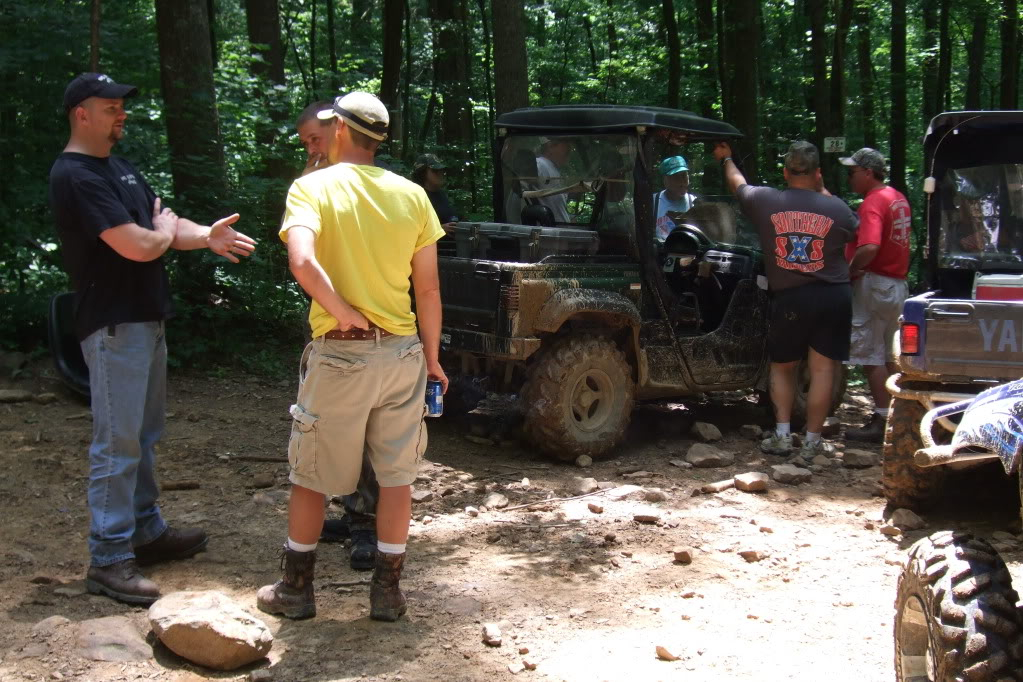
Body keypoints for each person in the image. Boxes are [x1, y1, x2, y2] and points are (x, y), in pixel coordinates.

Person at [48, 73, 256, 605]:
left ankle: (144, 530)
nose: (121, 115)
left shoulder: (118, 169)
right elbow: (140, 243)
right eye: (110, 107)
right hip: (114, 324)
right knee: (116, 443)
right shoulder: (75, 175)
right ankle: (109, 556)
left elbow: (166, 223)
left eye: (122, 106)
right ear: (81, 114)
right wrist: (165, 234)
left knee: (142, 435)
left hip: (143, 320)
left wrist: (205, 236)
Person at [257, 91, 447, 622]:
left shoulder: (311, 187)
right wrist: (432, 359)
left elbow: (302, 261)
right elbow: (427, 290)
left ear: (339, 128)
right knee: (396, 478)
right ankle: (387, 593)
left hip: (342, 356)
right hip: (404, 352)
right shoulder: (412, 196)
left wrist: (342, 312)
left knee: (312, 475)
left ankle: (297, 590)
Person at [713, 140, 859, 459]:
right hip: (834, 294)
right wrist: (822, 191)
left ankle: (782, 436)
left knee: (783, 367)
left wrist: (727, 159)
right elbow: (852, 231)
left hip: (791, 297)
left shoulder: (767, 200)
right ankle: (812, 442)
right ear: (818, 173)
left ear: (785, 171)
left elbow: (738, 185)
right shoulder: (838, 208)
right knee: (822, 370)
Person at [295, 100, 381, 570]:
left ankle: (367, 523)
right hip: (330, 328)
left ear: (340, 130)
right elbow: (298, 248)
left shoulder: (374, 187)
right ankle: (351, 511)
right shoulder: (316, 187)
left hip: (371, 332)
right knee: (329, 431)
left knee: (367, 431)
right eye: (305, 142)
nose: (311, 148)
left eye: (315, 139)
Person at [839, 148, 911, 442]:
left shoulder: (872, 202)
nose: (849, 178)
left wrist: (851, 271)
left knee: (871, 355)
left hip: (875, 285)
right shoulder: (897, 198)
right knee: (892, 355)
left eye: (852, 172)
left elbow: (869, 246)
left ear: (868, 173)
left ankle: (883, 421)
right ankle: (899, 416)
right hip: (896, 285)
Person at [654, 155, 698, 242]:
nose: (682, 182)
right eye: (676, 177)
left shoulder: (694, 203)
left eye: (684, 176)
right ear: (665, 181)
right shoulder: (653, 202)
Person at [413, 153, 459, 233]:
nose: (440, 173)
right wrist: (439, 229)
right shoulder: (416, 196)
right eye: (435, 171)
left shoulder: (441, 195)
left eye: (441, 170)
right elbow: (411, 229)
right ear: (422, 173)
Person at [535, 137, 573, 223]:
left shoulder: (552, 168)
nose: (570, 147)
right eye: (565, 142)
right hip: (546, 233)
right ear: (550, 146)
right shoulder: (540, 164)